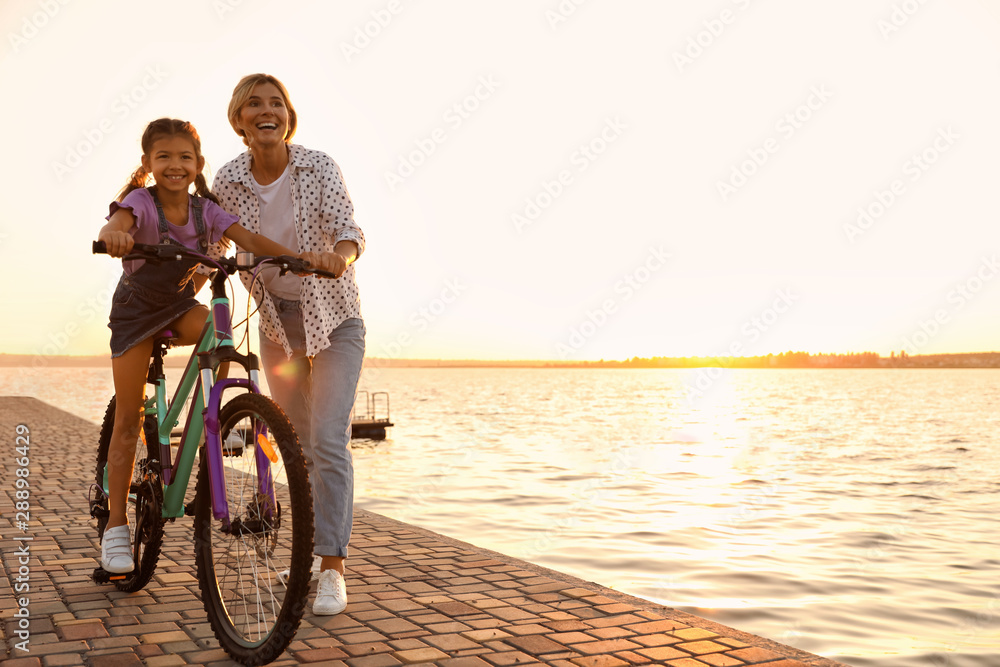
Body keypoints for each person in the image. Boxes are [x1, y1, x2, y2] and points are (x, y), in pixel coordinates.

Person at [97, 118, 301, 574]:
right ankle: (115, 525)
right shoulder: (140, 203)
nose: (175, 165)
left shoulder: (206, 211)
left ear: (198, 163)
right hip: (135, 313)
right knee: (129, 418)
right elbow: (119, 221)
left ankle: (212, 414)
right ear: (148, 163)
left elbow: (248, 239)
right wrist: (114, 235)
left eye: (184, 157)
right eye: (164, 157)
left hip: (177, 306)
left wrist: (293, 258)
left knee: (216, 327)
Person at [212, 74, 366, 616]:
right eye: (254, 104)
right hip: (277, 325)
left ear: (288, 116)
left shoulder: (318, 166)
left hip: (335, 319)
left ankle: (332, 569)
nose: (267, 111)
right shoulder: (228, 180)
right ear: (240, 120)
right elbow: (210, 238)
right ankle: (308, 559)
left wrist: (338, 258)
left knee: (328, 439)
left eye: (276, 103)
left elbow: (349, 230)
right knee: (297, 446)